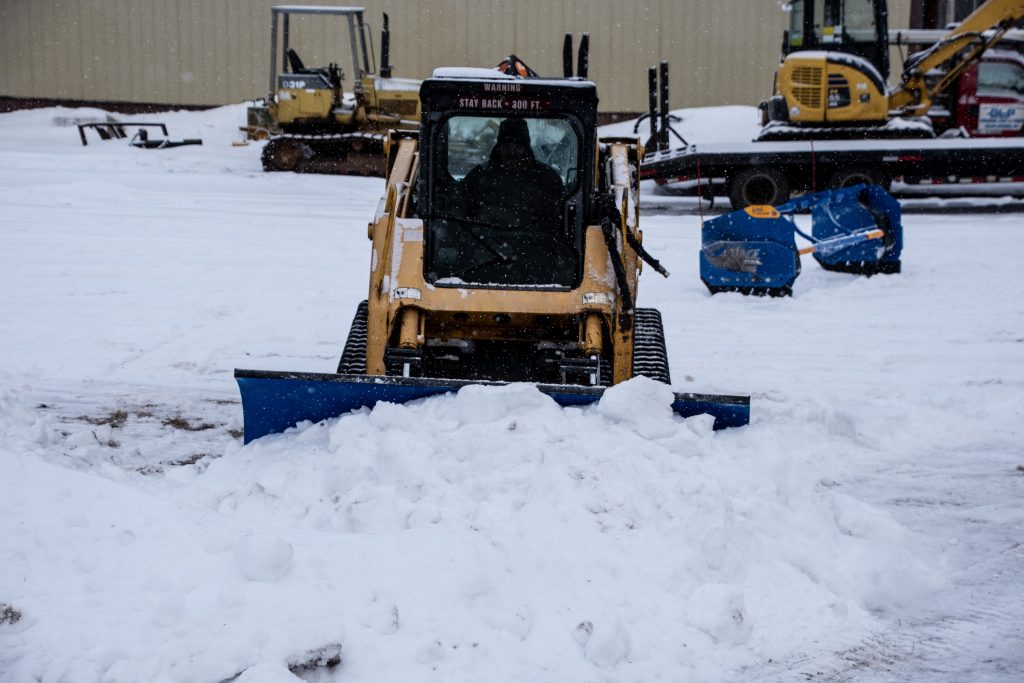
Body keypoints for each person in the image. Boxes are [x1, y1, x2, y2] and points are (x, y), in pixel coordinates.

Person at [461, 118, 564, 230]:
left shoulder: (546, 178)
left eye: (517, 147)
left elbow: (556, 218)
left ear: (525, 149)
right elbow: (461, 207)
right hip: (484, 241)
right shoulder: (479, 175)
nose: (511, 152)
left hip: (533, 242)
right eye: (506, 147)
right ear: (499, 148)